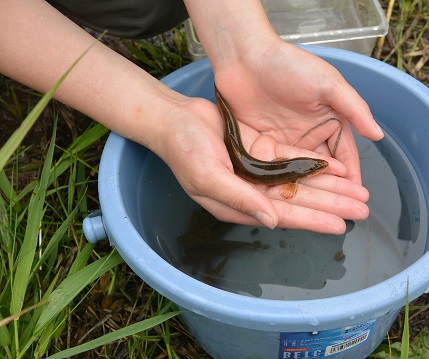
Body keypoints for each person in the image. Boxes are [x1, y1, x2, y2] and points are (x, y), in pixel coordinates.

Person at [0, 0, 384, 234]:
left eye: (311, 166)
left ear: (297, 168)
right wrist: (165, 119)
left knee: (149, 7)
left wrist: (245, 48)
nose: (317, 164)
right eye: (314, 164)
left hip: (253, 159)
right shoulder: (290, 170)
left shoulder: (290, 169)